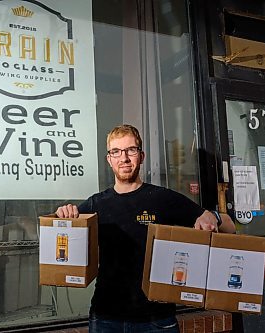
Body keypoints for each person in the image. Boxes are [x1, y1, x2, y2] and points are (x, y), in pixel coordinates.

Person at [56, 124, 235, 333]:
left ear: (141, 156)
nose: (124, 158)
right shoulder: (96, 205)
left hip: (156, 320)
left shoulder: (162, 199)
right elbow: (62, 236)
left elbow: (230, 227)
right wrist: (64, 215)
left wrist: (212, 216)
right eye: (116, 151)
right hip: (106, 318)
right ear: (109, 159)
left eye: (130, 150)